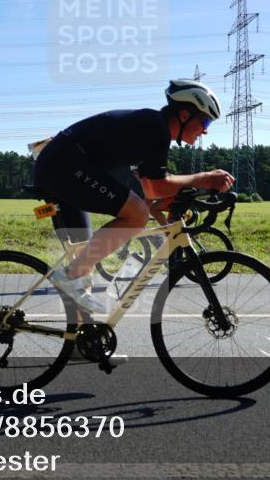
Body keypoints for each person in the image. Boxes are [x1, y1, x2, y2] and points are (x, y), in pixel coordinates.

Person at [33, 79, 235, 313]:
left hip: (61, 164)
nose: (206, 130)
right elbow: (156, 189)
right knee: (136, 215)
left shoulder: (150, 130)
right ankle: (69, 277)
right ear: (183, 115)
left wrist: (175, 201)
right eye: (205, 120)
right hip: (63, 165)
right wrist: (205, 178)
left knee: (86, 259)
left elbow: (151, 191)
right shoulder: (155, 128)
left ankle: (83, 340)